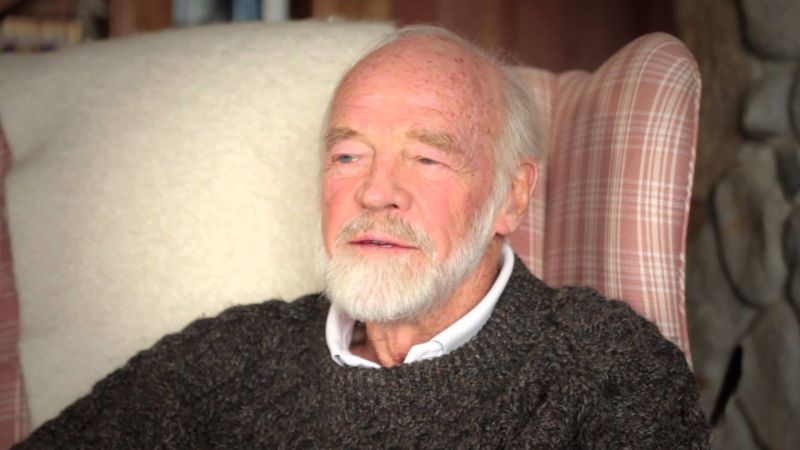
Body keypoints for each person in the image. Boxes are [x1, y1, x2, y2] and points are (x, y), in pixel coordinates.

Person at [15, 25, 709, 448]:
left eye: (427, 158)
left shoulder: (609, 371)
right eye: (348, 156)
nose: (375, 192)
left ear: (512, 197)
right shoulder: (225, 361)